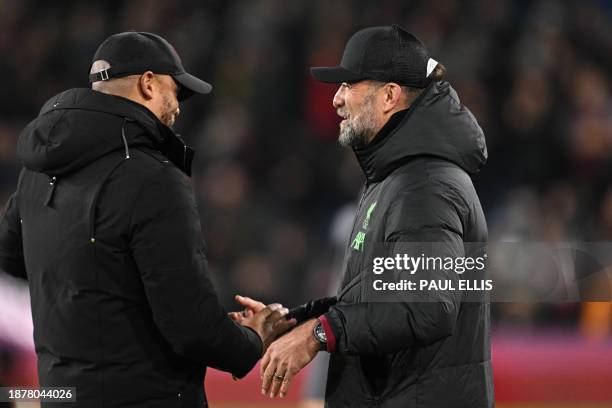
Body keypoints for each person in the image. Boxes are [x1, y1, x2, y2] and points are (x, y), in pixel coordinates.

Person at [0, 31, 294, 407]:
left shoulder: (37, 172)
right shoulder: (152, 177)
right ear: (148, 83)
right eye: (176, 91)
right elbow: (191, 327)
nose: (178, 108)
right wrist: (253, 339)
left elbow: (13, 257)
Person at [236, 25, 493, 407]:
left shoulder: (425, 184)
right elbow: (380, 297)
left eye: (348, 85)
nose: (336, 99)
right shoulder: (397, 178)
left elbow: (427, 307)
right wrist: (296, 321)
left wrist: (318, 335)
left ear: (389, 95)